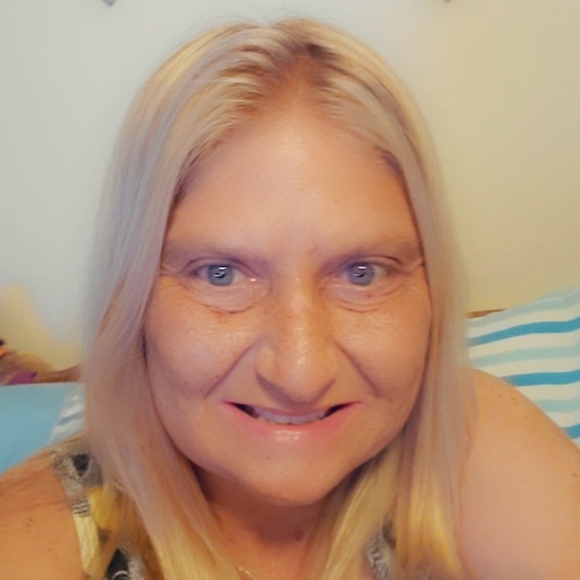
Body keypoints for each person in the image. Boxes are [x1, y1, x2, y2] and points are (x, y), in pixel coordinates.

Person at [0, 18, 579, 580]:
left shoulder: (468, 441)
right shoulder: (31, 542)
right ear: (133, 302)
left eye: (362, 273)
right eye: (220, 274)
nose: (301, 375)